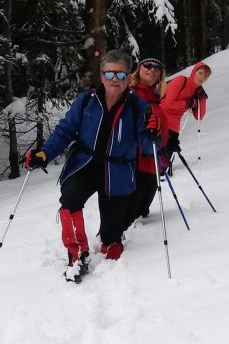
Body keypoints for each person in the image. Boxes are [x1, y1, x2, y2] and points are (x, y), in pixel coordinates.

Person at [25, 49, 153, 282]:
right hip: (84, 165)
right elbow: (66, 130)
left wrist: (154, 133)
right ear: (102, 75)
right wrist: (44, 153)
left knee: (111, 240)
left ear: (128, 77)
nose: (115, 79)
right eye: (110, 73)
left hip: (117, 172)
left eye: (121, 75)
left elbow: (146, 145)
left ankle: (109, 237)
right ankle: (77, 252)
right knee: (70, 200)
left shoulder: (137, 107)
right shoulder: (87, 100)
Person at [121, 53, 169, 230]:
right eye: (148, 66)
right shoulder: (131, 94)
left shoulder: (155, 96)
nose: (152, 70)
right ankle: (110, 246)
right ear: (138, 70)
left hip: (153, 160)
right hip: (135, 163)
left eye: (157, 68)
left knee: (141, 211)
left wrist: (167, 141)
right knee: (129, 213)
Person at [161, 61, 211, 163]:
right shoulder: (180, 81)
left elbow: (199, 116)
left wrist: (202, 99)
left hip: (174, 127)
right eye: (200, 73)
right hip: (160, 120)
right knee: (155, 162)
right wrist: (188, 104)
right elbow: (167, 104)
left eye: (205, 76)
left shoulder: (197, 93)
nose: (202, 78)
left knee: (165, 164)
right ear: (194, 72)